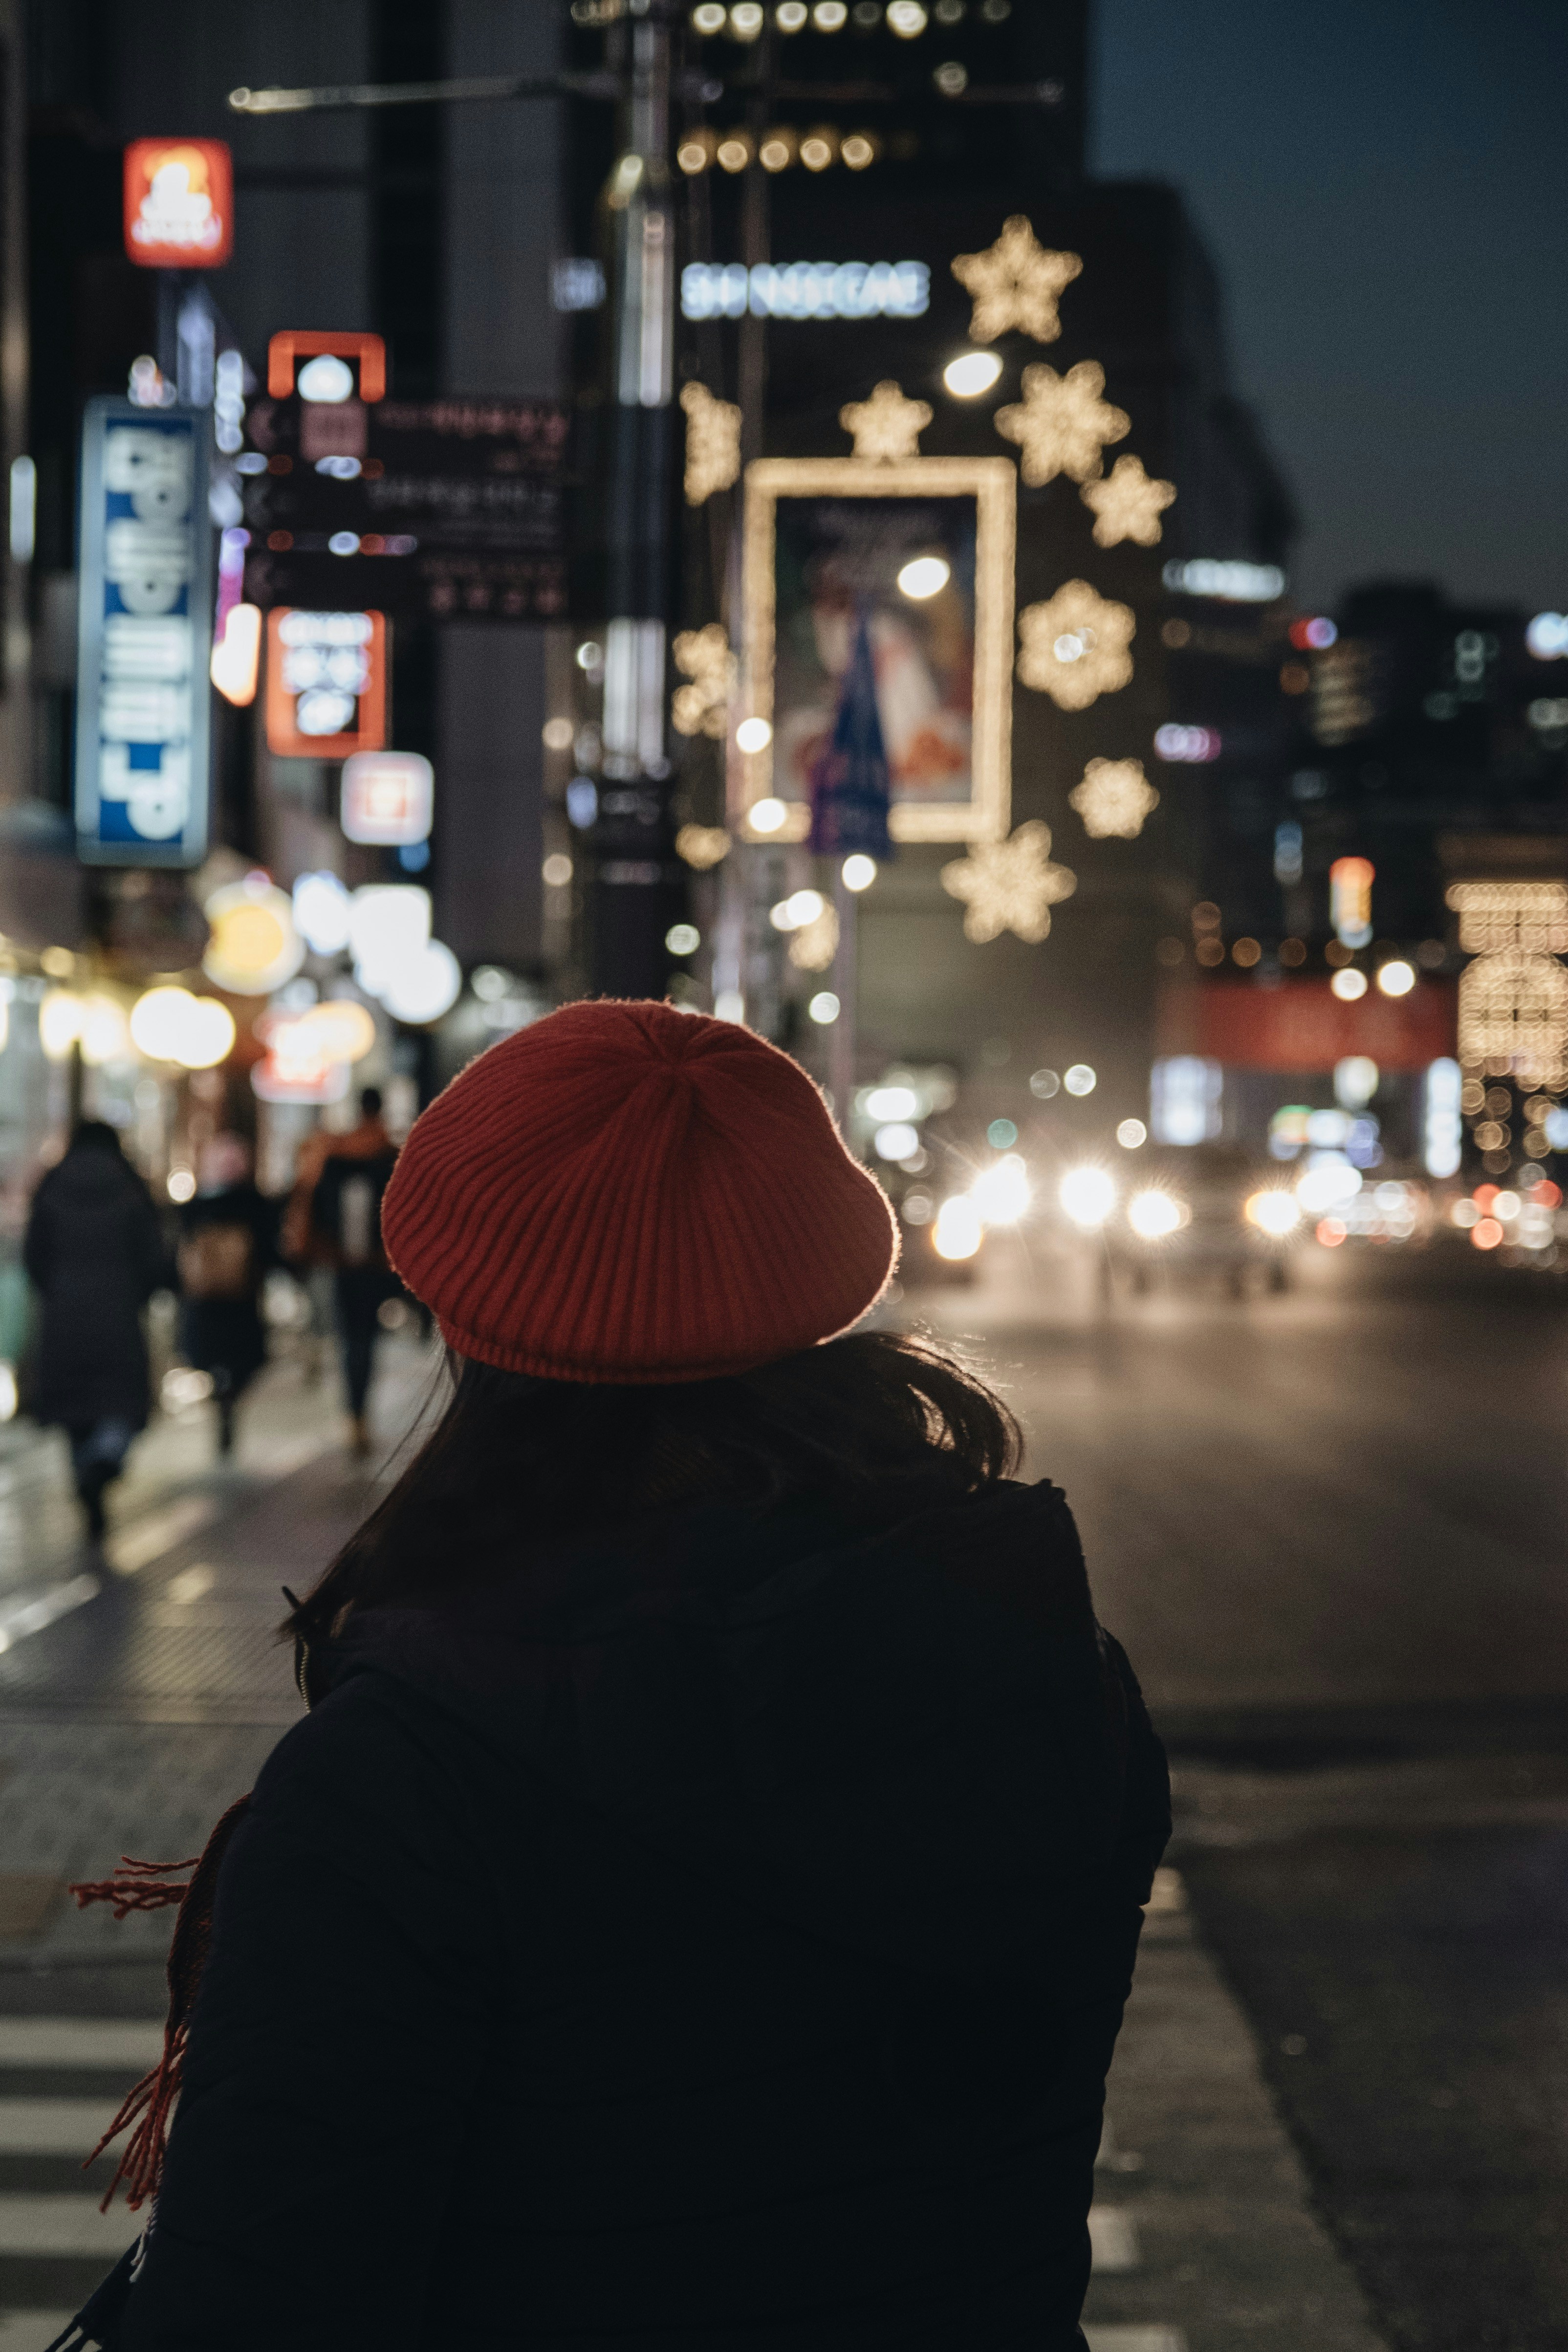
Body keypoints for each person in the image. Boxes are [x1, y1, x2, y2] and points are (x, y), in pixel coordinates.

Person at [59, 1003, 1170, 2352]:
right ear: (822, 1277)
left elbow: (259, 2298)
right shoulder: (1040, 1676)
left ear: (465, 1310)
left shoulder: (408, 1776)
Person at [23, 1120, 166, 1540]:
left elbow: (34, 1255)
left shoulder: (51, 1185)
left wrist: (56, 1292)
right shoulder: (131, 1186)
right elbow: (154, 1257)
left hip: (63, 1315)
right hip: (118, 1314)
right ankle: (104, 1462)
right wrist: (138, 1294)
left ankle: (86, 1478)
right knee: (121, 1402)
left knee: (74, 1408)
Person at [284, 1085, 400, 1455]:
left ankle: (354, 1415)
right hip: (375, 1264)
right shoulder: (389, 1154)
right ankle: (359, 1414)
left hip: (339, 1262)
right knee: (366, 1340)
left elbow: (312, 1204)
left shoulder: (334, 1154)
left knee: (350, 1339)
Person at [175, 1132, 280, 1457]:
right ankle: (228, 1397)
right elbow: (269, 1246)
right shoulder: (254, 1203)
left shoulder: (195, 1205)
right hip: (240, 1298)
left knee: (212, 1356)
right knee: (244, 1359)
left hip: (206, 1299)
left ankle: (224, 1397)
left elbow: (179, 1248)